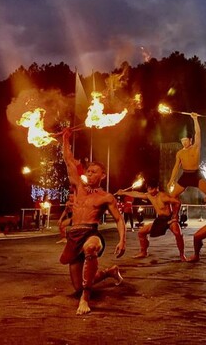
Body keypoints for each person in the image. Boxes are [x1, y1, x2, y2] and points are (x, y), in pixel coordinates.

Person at [59, 128, 126, 315]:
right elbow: (68, 161)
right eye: (88, 171)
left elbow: (119, 220)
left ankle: (85, 299)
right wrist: (65, 140)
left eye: (94, 172)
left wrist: (122, 240)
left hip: (91, 233)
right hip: (74, 235)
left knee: (90, 249)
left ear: (102, 176)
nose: (89, 174)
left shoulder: (106, 197)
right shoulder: (78, 187)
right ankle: (109, 272)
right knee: (77, 286)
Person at [116, 179, 185, 261]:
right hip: (160, 220)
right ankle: (143, 252)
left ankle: (182, 255)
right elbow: (137, 194)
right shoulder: (149, 195)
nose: (150, 191)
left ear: (157, 188)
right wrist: (123, 192)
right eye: (148, 189)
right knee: (141, 232)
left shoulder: (163, 196)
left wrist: (175, 215)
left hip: (169, 219)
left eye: (152, 189)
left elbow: (177, 202)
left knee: (178, 234)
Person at [167, 112, 206, 218]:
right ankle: (174, 215)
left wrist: (195, 119)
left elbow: (198, 133)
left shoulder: (195, 147)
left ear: (190, 140)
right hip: (185, 175)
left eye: (185, 140)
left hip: (197, 174)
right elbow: (175, 167)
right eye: (182, 141)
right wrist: (171, 180)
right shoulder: (179, 153)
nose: (184, 142)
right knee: (172, 196)